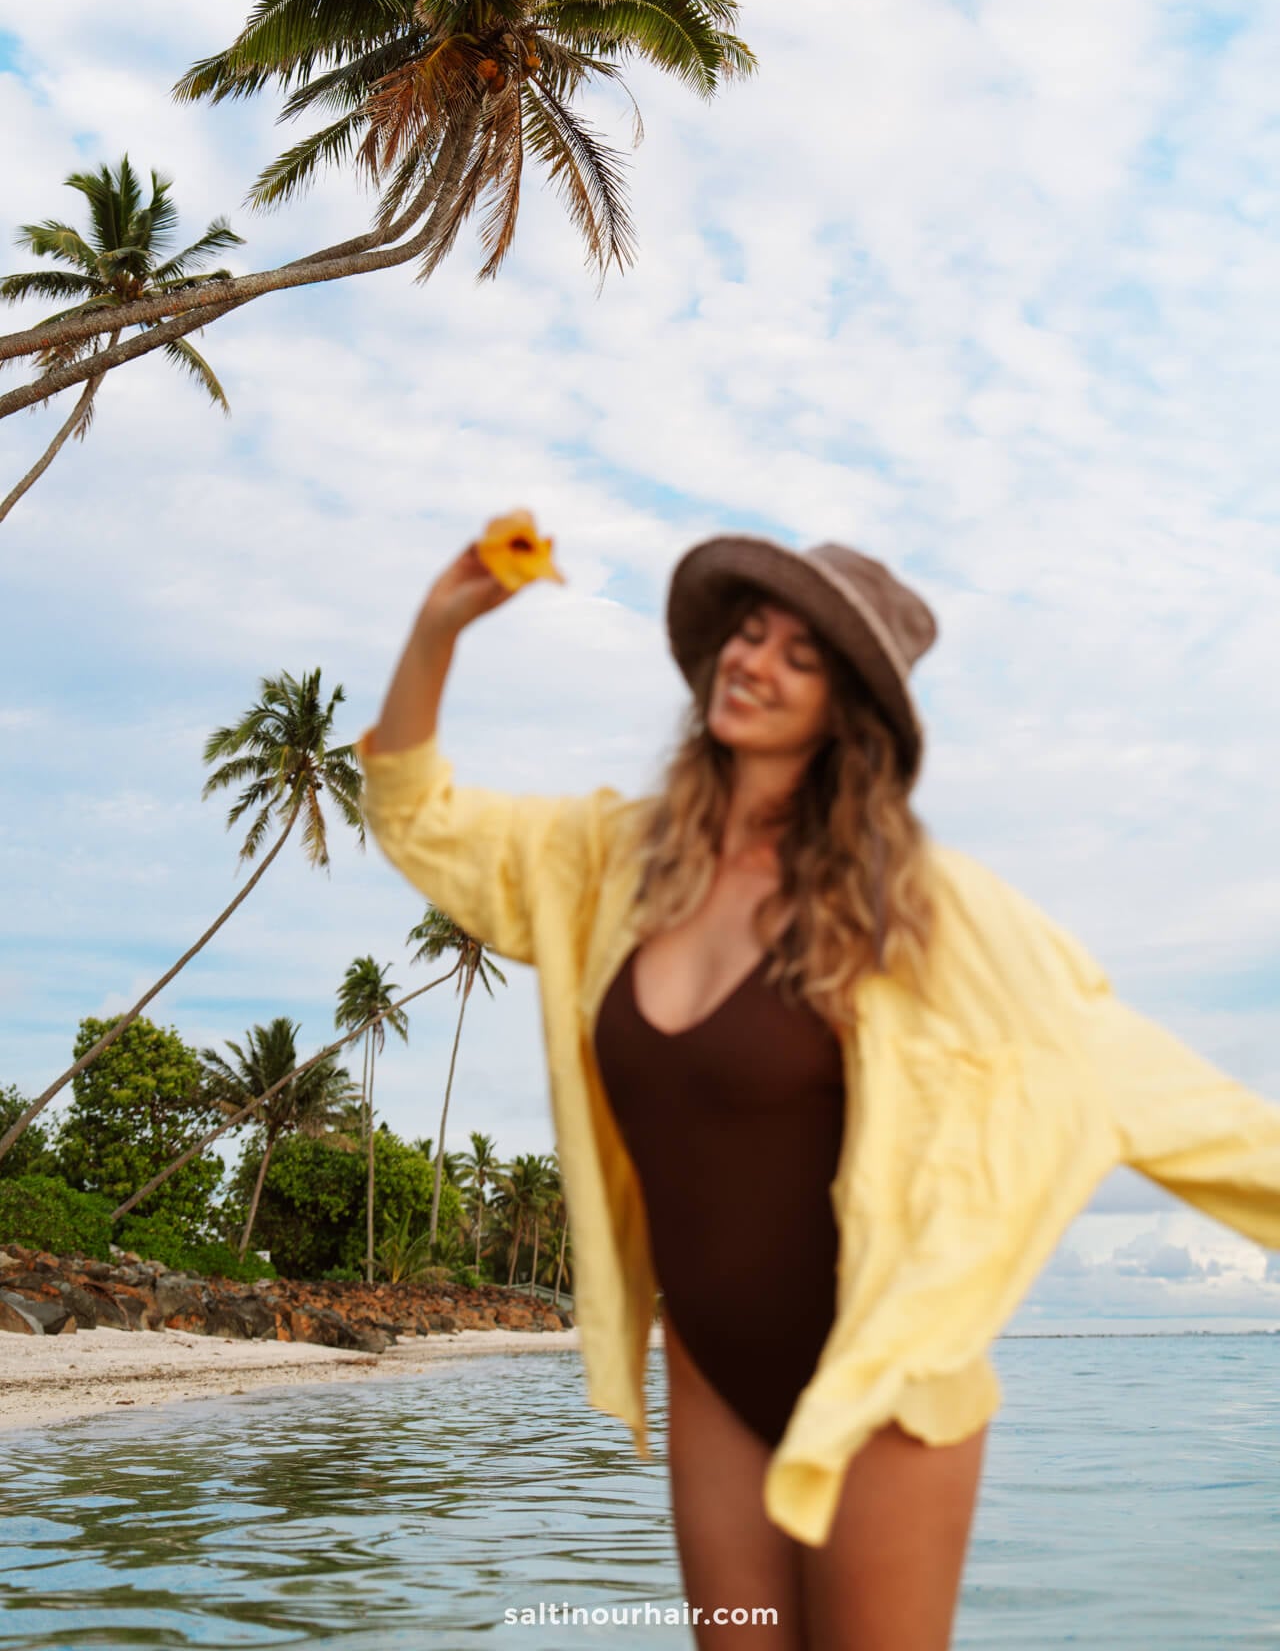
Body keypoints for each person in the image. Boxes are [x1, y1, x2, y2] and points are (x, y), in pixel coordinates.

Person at [356, 530, 1280, 1651]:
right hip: (712, 1384)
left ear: (848, 711)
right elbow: (415, 815)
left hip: (882, 1397)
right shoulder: (606, 860)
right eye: (749, 633)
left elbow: (1145, 1082)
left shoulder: (923, 910)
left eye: (800, 656)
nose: (754, 661)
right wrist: (438, 624)